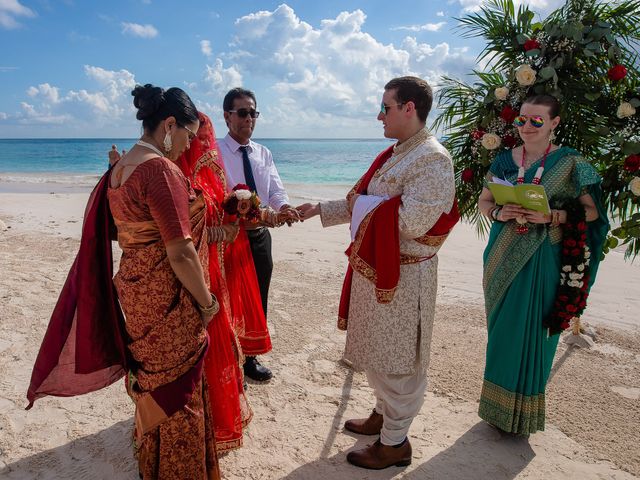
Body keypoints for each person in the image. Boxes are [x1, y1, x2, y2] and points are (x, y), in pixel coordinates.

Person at [28, 84, 221, 479]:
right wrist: (207, 303)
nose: (188, 145)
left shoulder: (119, 168)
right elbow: (180, 251)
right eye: (187, 134)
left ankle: (151, 465)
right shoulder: (161, 170)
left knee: (153, 384)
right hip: (168, 296)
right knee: (179, 393)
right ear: (169, 125)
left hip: (135, 289)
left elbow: (123, 231)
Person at [297, 76, 459, 470]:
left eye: (385, 107)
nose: (378, 115)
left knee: (399, 360)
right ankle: (383, 415)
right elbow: (362, 200)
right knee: (376, 350)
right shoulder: (397, 153)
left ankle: (395, 443)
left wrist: (372, 205)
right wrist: (321, 208)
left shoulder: (433, 159)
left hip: (404, 276)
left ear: (409, 108)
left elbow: (413, 220)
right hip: (377, 268)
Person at [476, 94, 609, 436]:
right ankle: (495, 411)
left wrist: (555, 216)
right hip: (502, 253)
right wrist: (497, 212)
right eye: (522, 120)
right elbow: (484, 198)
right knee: (502, 333)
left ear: (554, 123)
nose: (527, 127)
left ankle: (523, 417)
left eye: (537, 121)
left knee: (537, 330)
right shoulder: (505, 160)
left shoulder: (572, 163)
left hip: (545, 258)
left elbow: (594, 211)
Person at [218, 87, 299, 382]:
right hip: (228, 237)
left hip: (261, 236)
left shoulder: (263, 152)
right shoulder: (214, 152)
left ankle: (250, 358)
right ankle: (225, 356)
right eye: (242, 112)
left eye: (253, 112)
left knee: (258, 295)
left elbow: (275, 189)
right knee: (227, 297)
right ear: (227, 117)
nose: (249, 118)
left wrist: (284, 207)